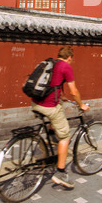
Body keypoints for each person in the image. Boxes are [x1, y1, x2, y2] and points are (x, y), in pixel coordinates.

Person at [31, 46, 89, 189]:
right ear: (70, 57)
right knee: (65, 137)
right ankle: (61, 172)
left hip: (35, 103)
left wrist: (61, 96)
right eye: (72, 59)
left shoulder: (51, 63)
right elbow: (74, 92)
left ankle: (51, 138)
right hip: (49, 106)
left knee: (59, 109)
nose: (71, 62)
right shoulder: (66, 66)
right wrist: (81, 104)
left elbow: (53, 83)